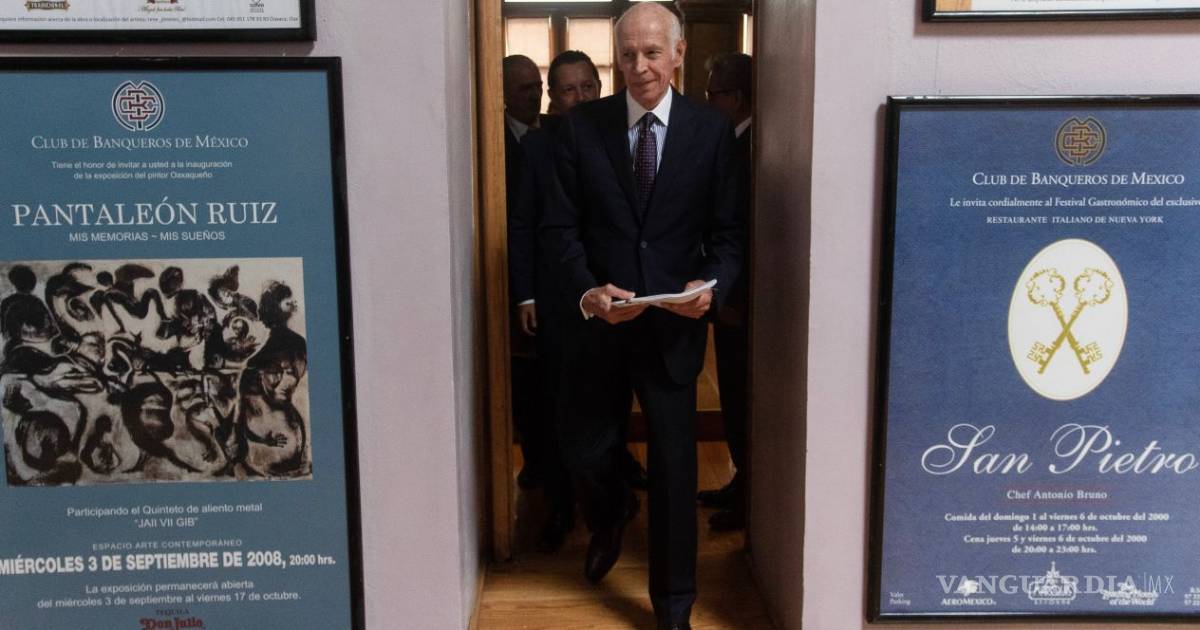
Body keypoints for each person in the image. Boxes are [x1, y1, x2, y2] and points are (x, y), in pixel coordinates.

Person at [541, 4, 743, 628]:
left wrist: (710, 287)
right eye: (628, 54)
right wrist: (586, 292)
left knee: (676, 469)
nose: (640, 66)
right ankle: (609, 517)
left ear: (678, 54)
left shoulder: (711, 132)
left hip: (674, 329)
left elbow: (730, 235)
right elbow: (559, 229)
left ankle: (674, 605)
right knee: (585, 448)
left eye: (653, 52)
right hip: (599, 325)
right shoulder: (582, 129)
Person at [698, 52, 753, 532]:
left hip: (742, 303)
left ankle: (749, 495)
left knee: (742, 397)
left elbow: (749, 234)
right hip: (728, 298)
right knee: (734, 397)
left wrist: (732, 298)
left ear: (735, 97)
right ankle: (741, 484)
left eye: (712, 92)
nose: (706, 101)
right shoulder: (733, 141)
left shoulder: (752, 147)